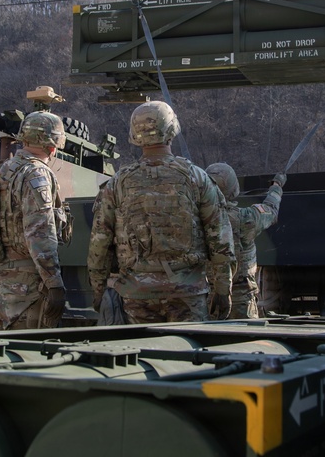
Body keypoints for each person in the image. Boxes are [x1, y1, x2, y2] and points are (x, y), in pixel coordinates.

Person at [86, 101, 235, 323]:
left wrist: (98, 290)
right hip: (187, 293)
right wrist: (223, 290)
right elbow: (220, 240)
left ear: (135, 135)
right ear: (172, 130)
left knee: (140, 356)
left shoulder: (117, 183)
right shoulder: (197, 178)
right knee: (188, 355)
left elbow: (99, 243)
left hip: (136, 294)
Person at [0, 111, 69, 330]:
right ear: (53, 146)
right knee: (27, 357)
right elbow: (40, 234)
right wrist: (54, 283)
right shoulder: (37, 174)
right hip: (28, 293)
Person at [205, 163, 286, 319]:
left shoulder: (197, 220)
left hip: (209, 302)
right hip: (242, 303)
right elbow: (271, 209)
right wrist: (277, 186)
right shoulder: (247, 218)